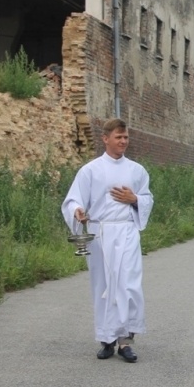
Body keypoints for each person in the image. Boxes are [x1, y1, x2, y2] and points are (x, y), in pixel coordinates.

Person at [61, 118, 154, 363]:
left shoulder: (137, 170)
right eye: (118, 137)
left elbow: (147, 199)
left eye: (125, 137)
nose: (123, 141)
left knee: (129, 285)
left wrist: (135, 199)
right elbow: (73, 199)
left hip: (126, 232)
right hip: (100, 233)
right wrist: (78, 211)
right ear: (105, 138)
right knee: (103, 286)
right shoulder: (91, 170)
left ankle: (126, 341)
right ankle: (106, 339)